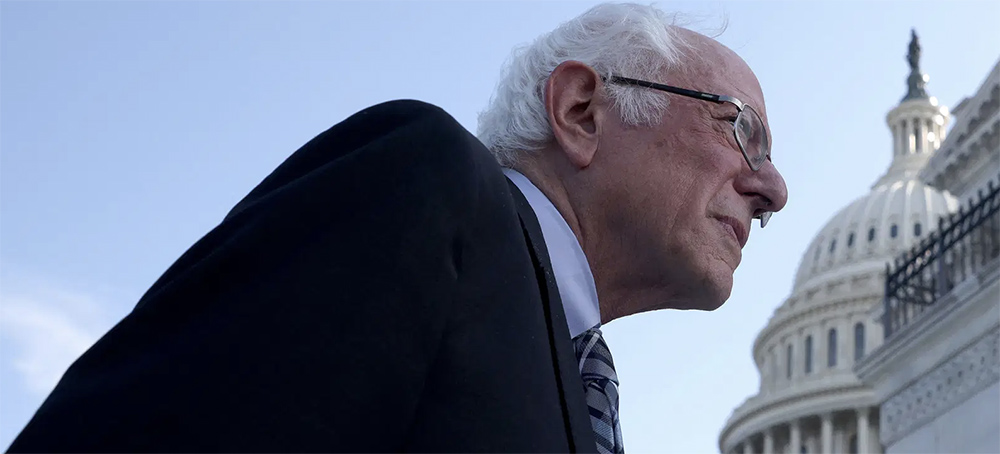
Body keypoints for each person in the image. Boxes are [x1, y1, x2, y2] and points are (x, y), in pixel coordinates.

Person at [8, 2, 787, 453]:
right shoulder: (429, 186)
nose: (772, 188)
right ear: (581, 111)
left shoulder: (578, 375)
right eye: (741, 131)